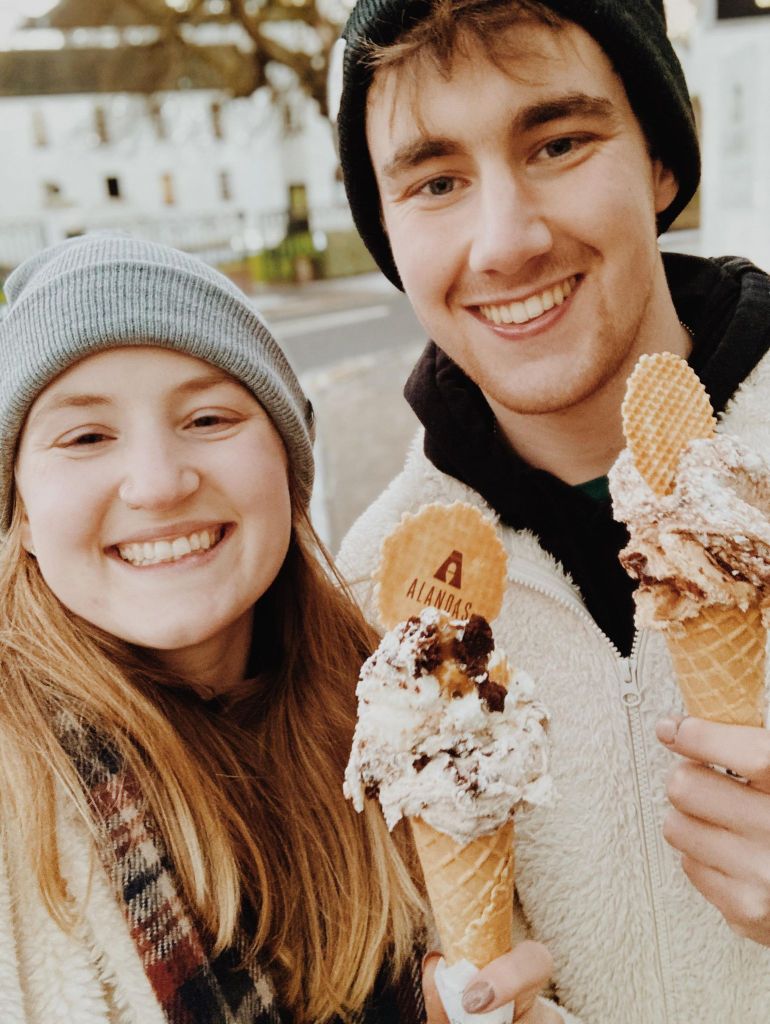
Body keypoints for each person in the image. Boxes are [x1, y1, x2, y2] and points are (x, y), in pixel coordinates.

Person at [333, 0, 770, 1021]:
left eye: (558, 141)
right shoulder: (366, 594)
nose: (505, 240)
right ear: (388, 232)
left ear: (660, 162)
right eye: (434, 181)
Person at [0, 232, 429, 1024]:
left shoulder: (403, 714)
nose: (160, 483)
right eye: (87, 436)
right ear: (21, 508)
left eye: (207, 418)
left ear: (290, 463)